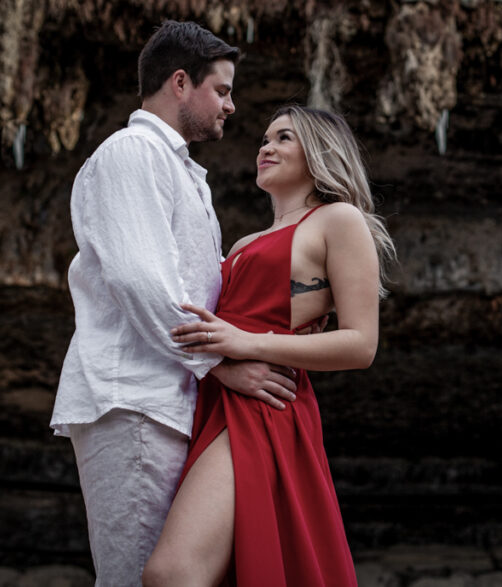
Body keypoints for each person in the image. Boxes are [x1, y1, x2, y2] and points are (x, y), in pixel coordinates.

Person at [49, 21, 302, 586]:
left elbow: (205, 288)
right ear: (180, 82)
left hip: (167, 399)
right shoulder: (132, 153)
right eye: (222, 90)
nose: (232, 107)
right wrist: (222, 366)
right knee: (137, 578)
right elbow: (143, 283)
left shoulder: (183, 172)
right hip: (135, 399)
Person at [143, 106, 397, 587]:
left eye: (284, 138)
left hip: (264, 409)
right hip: (213, 400)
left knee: (171, 572)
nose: (266, 147)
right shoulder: (242, 244)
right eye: (264, 139)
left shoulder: (338, 219)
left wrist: (245, 341)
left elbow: (361, 344)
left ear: (319, 152)